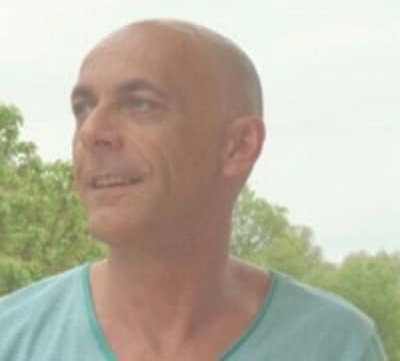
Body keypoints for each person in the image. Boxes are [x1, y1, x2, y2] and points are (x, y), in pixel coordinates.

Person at [0, 20, 386, 361]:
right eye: (83, 108)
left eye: (140, 104)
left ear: (239, 146)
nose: (91, 132)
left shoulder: (336, 345)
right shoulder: (11, 337)